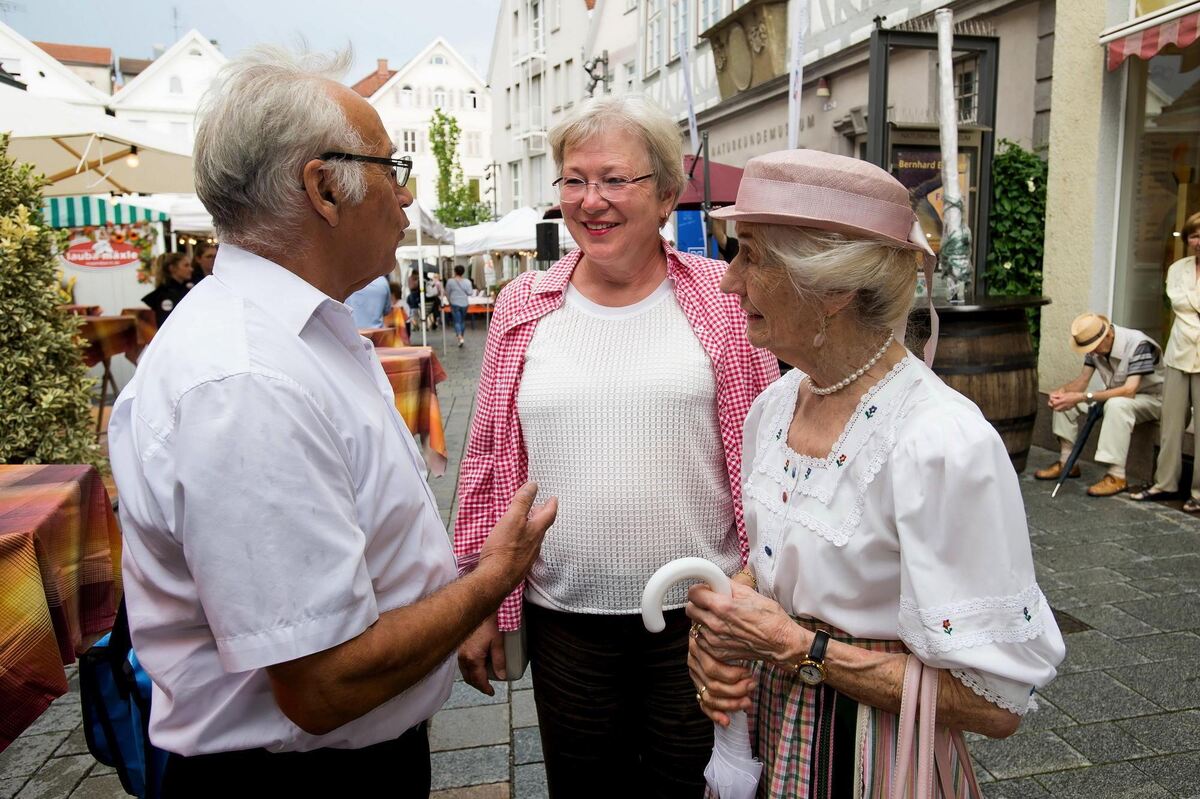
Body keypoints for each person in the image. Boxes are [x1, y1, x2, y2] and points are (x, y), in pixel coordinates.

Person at [107, 46, 557, 797]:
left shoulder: (297, 334)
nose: (407, 199)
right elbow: (324, 687)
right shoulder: (247, 380)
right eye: (392, 170)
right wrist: (493, 578)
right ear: (323, 187)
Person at [684, 150, 1064, 796]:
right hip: (777, 737)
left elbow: (998, 703)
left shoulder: (940, 442)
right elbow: (784, 567)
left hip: (877, 759)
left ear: (832, 288)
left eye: (752, 254)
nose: (730, 281)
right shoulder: (773, 409)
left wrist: (799, 649)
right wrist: (723, 625)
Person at [453, 95, 778, 798]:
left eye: (613, 179)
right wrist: (481, 600)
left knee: (691, 788)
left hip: (703, 616)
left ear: (665, 195)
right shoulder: (522, 305)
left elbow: (766, 462)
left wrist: (766, 602)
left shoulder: (721, 303)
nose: (590, 201)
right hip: (564, 619)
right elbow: (488, 461)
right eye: (574, 180)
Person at [1035, 312, 1163, 496]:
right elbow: (1082, 381)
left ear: (1109, 335)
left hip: (1151, 399)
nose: (1092, 352)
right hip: (1116, 395)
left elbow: (1130, 390)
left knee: (1117, 405)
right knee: (1066, 399)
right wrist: (1062, 393)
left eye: (1094, 347)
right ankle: (1067, 462)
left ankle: (1117, 475)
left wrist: (1081, 397)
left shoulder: (1138, 344)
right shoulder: (1094, 347)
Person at [1132, 212, 1200, 511]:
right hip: (1178, 353)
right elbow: (1180, 303)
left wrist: (1190, 310)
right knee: (1170, 423)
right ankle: (1165, 482)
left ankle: (1198, 493)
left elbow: (1186, 306)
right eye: (1194, 236)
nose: (1198, 242)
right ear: (1187, 240)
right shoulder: (1177, 269)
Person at [141, 252, 196, 327]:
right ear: (172, 268)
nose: (191, 269)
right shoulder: (165, 294)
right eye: (186, 265)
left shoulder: (185, 289)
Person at [446, 264, 474, 346]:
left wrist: (449, 301)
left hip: (454, 303)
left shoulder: (450, 281)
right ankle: (461, 337)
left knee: (457, 321)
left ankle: (460, 337)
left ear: (455, 272)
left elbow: (447, 292)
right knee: (462, 321)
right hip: (464, 303)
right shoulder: (467, 282)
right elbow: (470, 293)